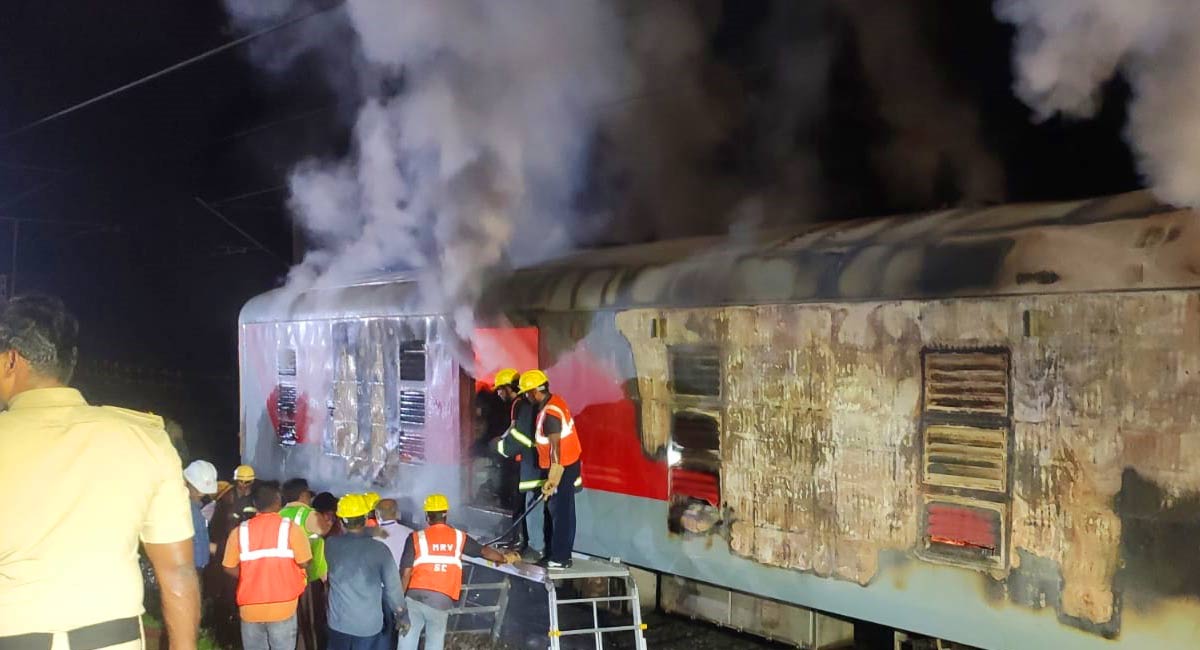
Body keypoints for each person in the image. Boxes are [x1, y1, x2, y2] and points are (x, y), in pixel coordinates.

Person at [0, 294, 200, 650]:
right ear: (69, 364)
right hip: (114, 639)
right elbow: (178, 571)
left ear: (10, 359)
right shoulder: (145, 439)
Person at [398, 494, 516, 650]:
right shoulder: (459, 537)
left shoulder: (415, 537)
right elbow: (484, 551)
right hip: (440, 601)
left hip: (414, 598)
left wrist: (399, 606)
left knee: (406, 640)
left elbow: (406, 573)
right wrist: (502, 558)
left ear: (427, 516)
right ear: (446, 514)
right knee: (434, 643)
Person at [222, 482, 311, 650]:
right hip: (283, 607)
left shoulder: (240, 531)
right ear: (278, 502)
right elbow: (304, 562)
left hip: (250, 608)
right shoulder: (291, 529)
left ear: (255, 505)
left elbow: (228, 566)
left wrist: (250, 575)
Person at [325, 494, 408, 650]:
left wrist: (370, 531)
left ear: (341, 521)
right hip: (367, 626)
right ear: (365, 518)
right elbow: (393, 588)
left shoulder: (331, 545)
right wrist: (402, 614)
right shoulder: (380, 550)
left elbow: (351, 537)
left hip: (338, 623)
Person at [519, 369, 583, 569]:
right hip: (566, 465)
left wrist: (554, 475)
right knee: (560, 511)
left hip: (562, 468)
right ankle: (556, 554)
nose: (526, 397)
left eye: (527, 393)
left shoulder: (550, 414)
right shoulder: (554, 402)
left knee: (560, 513)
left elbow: (555, 446)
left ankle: (561, 558)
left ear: (534, 392)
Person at [492, 368, 541, 552]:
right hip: (525, 460)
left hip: (522, 460)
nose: (498, 393)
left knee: (518, 500)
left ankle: (519, 540)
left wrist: (500, 446)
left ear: (507, 388)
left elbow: (515, 432)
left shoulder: (518, 404)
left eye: (499, 389)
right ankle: (517, 538)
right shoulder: (524, 404)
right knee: (519, 500)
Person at [278, 478, 327, 650]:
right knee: (312, 624)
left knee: (294, 623)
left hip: (285, 578)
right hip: (309, 579)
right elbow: (324, 530)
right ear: (303, 495)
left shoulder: (279, 514)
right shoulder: (309, 514)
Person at [184, 460, 219, 572]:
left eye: (204, 492)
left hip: (197, 569)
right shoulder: (183, 509)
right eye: (199, 491)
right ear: (187, 482)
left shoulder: (196, 510)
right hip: (188, 570)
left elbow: (198, 540)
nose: (202, 495)